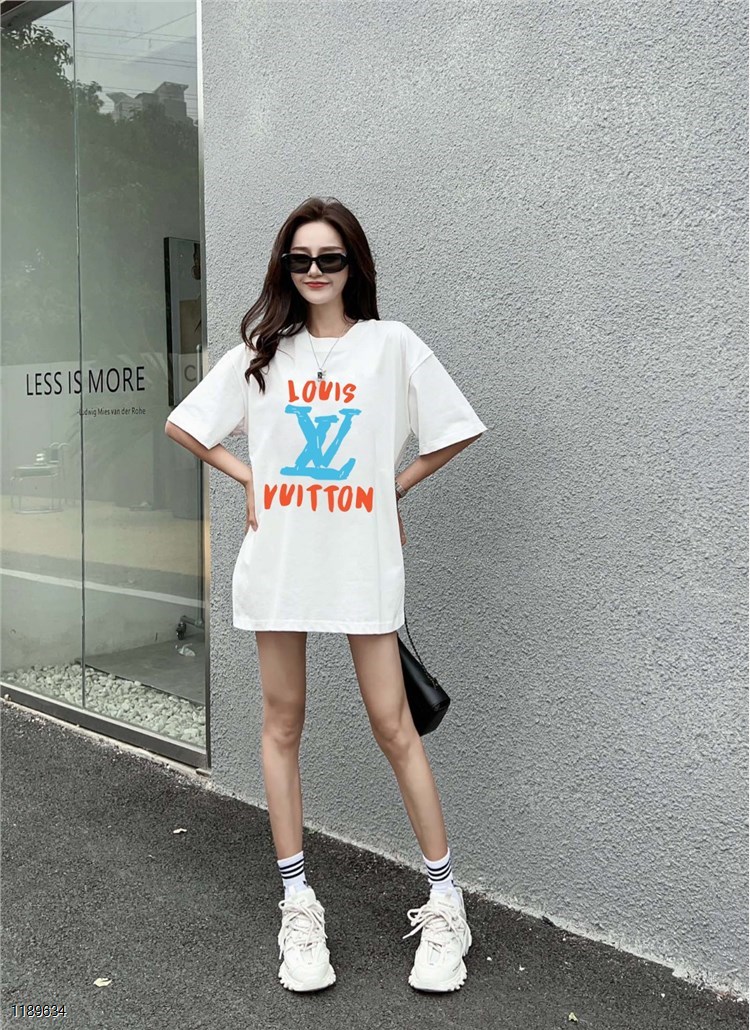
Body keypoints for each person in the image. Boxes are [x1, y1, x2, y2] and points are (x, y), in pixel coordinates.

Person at [165, 196, 487, 994]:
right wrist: (249, 477)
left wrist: (392, 488)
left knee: (394, 725)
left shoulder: (390, 345)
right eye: (300, 258)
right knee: (282, 724)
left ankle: (446, 902)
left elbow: (455, 429)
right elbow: (186, 425)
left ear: (353, 267)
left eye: (330, 258)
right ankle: (297, 905)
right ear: (285, 266)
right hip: (282, 562)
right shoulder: (261, 353)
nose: (314, 271)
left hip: (357, 561)